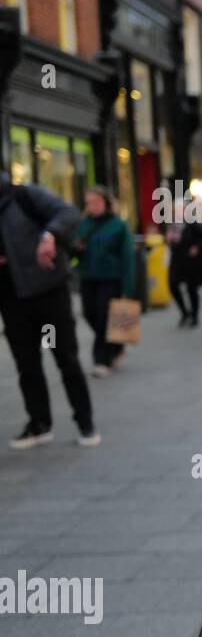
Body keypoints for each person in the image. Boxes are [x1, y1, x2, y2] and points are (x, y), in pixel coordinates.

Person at [0, 173, 99, 448]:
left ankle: (85, 422)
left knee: (65, 358)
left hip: (47, 293)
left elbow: (68, 213)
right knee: (26, 364)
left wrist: (49, 235)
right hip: (11, 299)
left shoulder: (23, 196)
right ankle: (39, 424)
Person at [73, 186, 136, 378]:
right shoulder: (83, 225)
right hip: (88, 278)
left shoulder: (118, 225)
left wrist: (128, 287)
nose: (92, 206)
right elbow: (74, 252)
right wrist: (76, 249)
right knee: (90, 315)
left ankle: (102, 360)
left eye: (96, 201)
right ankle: (117, 345)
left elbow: (127, 258)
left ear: (106, 203)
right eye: (89, 202)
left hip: (111, 279)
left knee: (104, 318)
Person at [166, 208, 202, 329]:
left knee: (192, 289)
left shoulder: (192, 222)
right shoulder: (174, 225)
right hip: (177, 261)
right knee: (172, 284)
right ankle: (185, 312)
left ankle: (195, 317)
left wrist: (196, 247)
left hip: (191, 263)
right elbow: (172, 242)